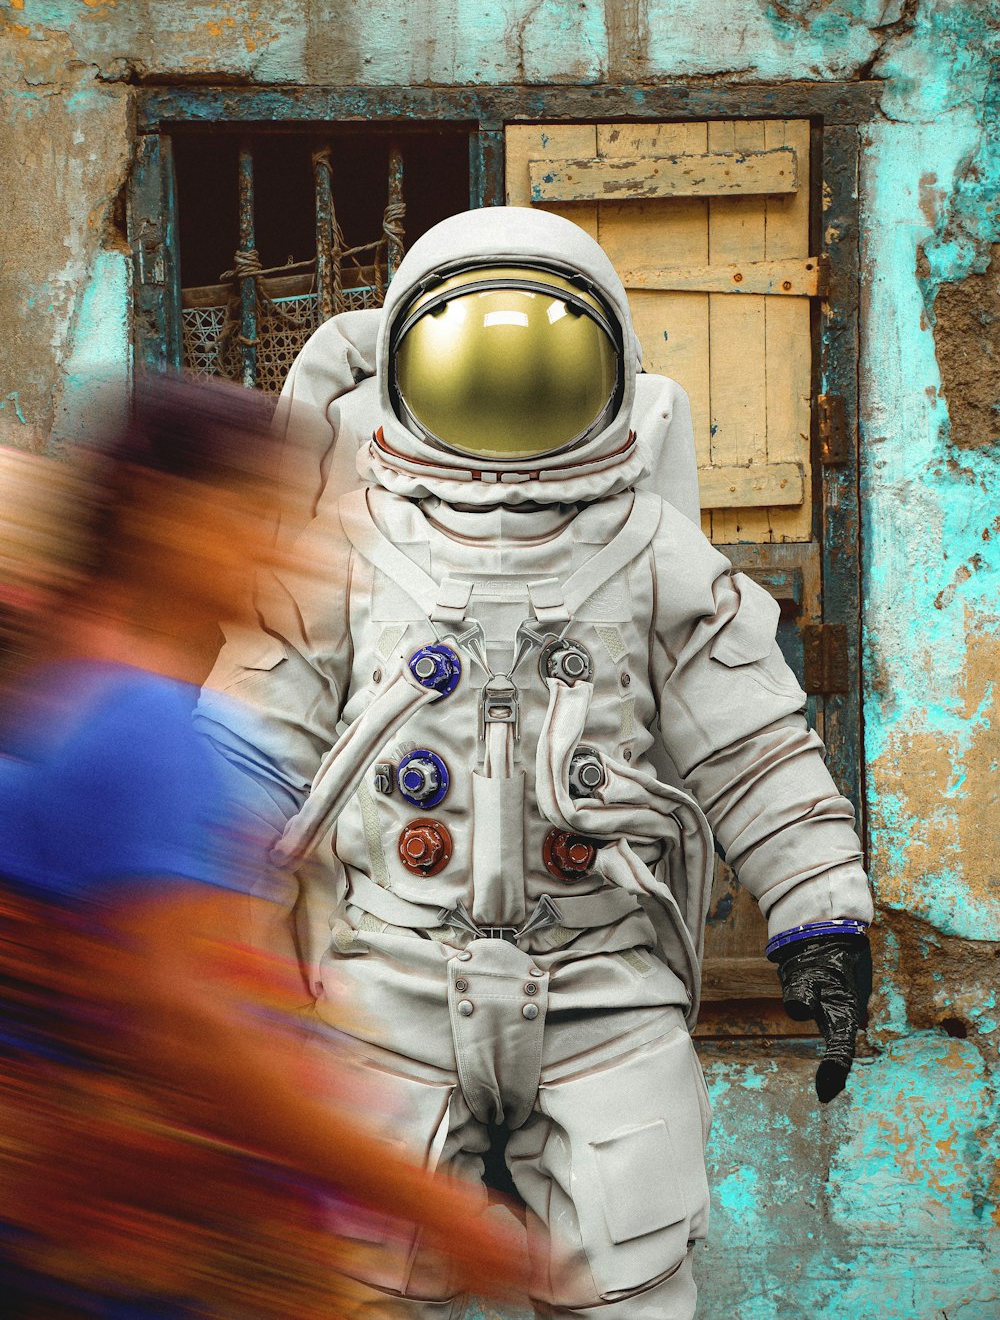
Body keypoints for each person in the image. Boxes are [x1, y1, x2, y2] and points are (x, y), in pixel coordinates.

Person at [198, 206, 874, 1319]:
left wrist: (820, 916)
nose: (508, 388)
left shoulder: (651, 551)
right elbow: (255, 740)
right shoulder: (346, 538)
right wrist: (191, 905)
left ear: (607, 363)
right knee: (355, 1283)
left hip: (601, 980)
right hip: (391, 973)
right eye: (475, 357)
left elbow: (753, 750)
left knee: (630, 1283)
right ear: (409, 364)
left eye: (543, 358)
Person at [0, 379, 531, 1319]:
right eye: (256, 515)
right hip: (152, 1263)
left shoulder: (57, 697)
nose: (286, 551)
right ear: (165, 519)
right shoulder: (140, 727)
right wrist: (432, 1208)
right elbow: (190, 1028)